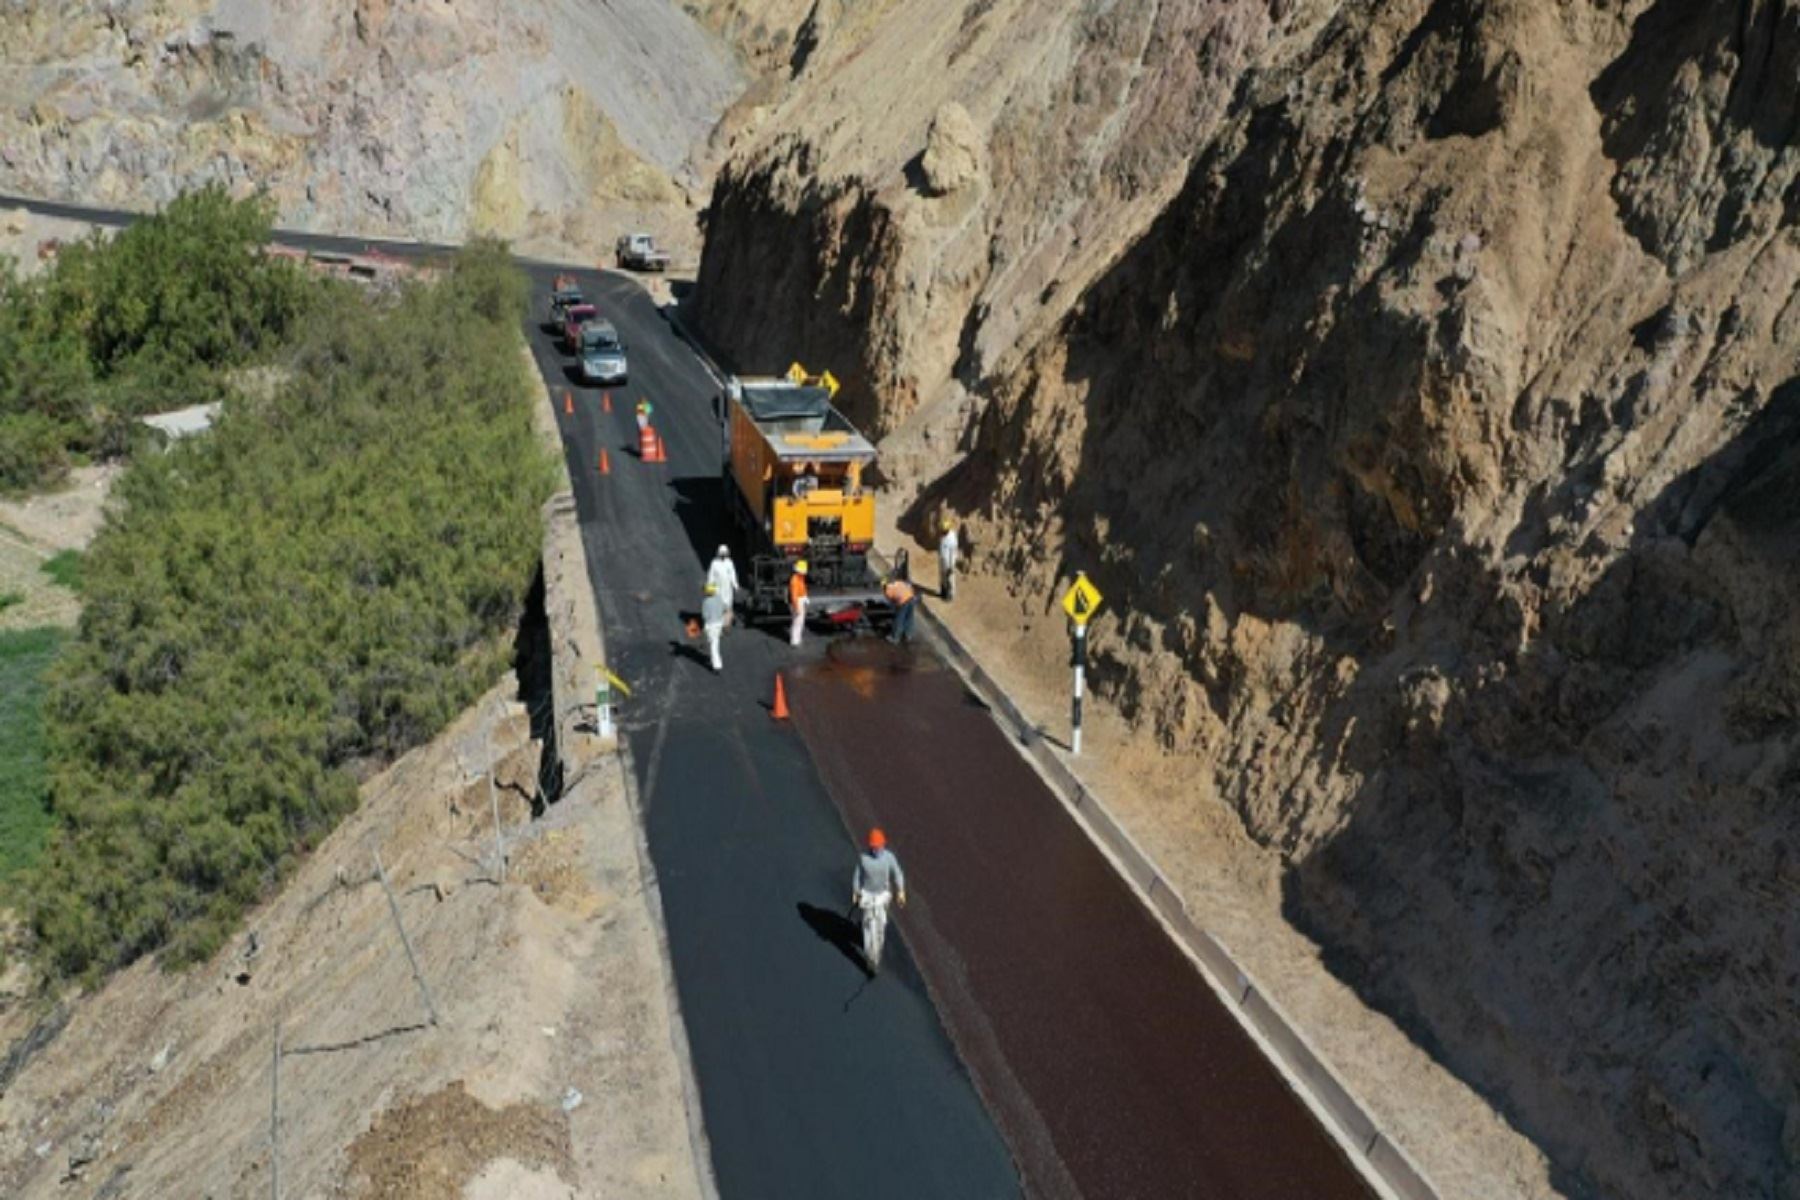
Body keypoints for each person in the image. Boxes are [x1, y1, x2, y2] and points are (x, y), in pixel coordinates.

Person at [852, 828, 907, 973]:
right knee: (868, 927)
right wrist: (856, 892)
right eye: (874, 847)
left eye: (879, 846)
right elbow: (857, 877)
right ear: (870, 846)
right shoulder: (863, 859)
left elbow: (898, 873)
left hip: (882, 896)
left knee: (881, 927)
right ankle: (871, 959)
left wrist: (901, 891)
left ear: (884, 844)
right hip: (868, 897)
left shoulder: (889, 858)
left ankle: (876, 953)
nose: (877, 849)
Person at [701, 582, 728, 672]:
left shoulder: (706, 602)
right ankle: (715, 660)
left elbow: (704, 616)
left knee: (713, 645)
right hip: (719, 624)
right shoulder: (719, 599)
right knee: (715, 642)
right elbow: (725, 608)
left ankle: (717, 665)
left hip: (711, 625)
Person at [884, 574, 917, 645]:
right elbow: (910, 588)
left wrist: (895, 609)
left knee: (899, 619)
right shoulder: (899, 582)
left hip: (903, 601)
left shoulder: (888, 590)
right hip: (911, 598)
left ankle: (895, 638)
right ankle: (908, 635)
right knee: (909, 618)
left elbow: (892, 602)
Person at [707, 544, 739, 609]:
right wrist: (710, 587)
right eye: (722, 553)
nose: (723, 555)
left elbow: (732, 574)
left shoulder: (729, 563)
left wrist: (735, 585)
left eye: (724, 553)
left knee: (727, 604)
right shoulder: (714, 563)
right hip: (718, 587)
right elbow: (711, 576)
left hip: (727, 588)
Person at [788, 559, 809, 647]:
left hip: (800, 600)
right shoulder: (795, 580)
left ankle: (798, 638)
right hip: (796, 602)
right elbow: (794, 596)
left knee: (800, 621)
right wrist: (796, 607)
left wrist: (805, 597)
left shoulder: (800, 578)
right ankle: (794, 641)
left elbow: (803, 589)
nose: (804, 573)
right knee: (797, 621)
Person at [938, 517, 959, 601]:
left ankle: (951, 595)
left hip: (949, 562)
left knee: (950, 578)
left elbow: (953, 553)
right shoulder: (942, 536)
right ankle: (943, 591)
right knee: (942, 577)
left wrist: (951, 566)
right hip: (942, 560)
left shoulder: (952, 538)